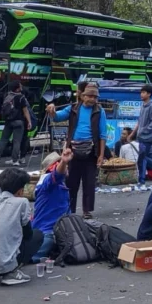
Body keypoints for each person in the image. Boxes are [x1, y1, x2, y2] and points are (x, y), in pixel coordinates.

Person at [46, 84, 106, 219]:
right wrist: (51, 109)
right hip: (73, 150)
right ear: (83, 96)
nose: (92, 99)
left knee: (89, 182)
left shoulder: (99, 111)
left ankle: (87, 211)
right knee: (71, 182)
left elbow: (103, 134)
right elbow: (56, 117)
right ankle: (70, 209)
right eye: (90, 96)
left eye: (95, 97)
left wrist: (101, 155)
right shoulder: (73, 109)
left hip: (91, 151)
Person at [29, 149, 72, 262]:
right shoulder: (48, 182)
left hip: (60, 230)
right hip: (47, 232)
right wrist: (63, 161)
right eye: (62, 165)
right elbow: (57, 174)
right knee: (44, 246)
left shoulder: (60, 184)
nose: (67, 167)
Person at [0, 81, 32, 166]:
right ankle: (15, 160)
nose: (21, 86)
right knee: (17, 141)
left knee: (3, 140)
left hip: (8, 121)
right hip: (19, 122)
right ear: (18, 88)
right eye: (20, 85)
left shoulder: (7, 95)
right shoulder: (21, 97)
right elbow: (25, 110)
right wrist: (29, 121)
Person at [135, 84, 152, 189]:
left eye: (144, 92)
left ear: (149, 94)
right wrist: (134, 133)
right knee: (142, 157)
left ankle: (142, 179)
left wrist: (144, 130)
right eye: (141, 92)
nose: (142, 94)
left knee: (142, 157)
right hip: (141, 137)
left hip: (147, 137)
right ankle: (142, 178)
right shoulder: (143, 105)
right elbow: (140, 121)